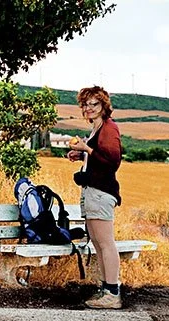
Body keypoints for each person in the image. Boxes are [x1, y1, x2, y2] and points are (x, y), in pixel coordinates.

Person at [67, 86, 124, 309]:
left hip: (101, 192)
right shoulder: (97, 128)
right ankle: (106, 289)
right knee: (99, 244)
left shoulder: (109, 128)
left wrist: (87, 150)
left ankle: (112, 293)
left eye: (94, 104)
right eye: (85, 104)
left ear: (103, 106)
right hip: (92, 190)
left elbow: (112, 161)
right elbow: (99, 158)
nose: (89, 108)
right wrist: (82, 154)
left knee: (106, 243)